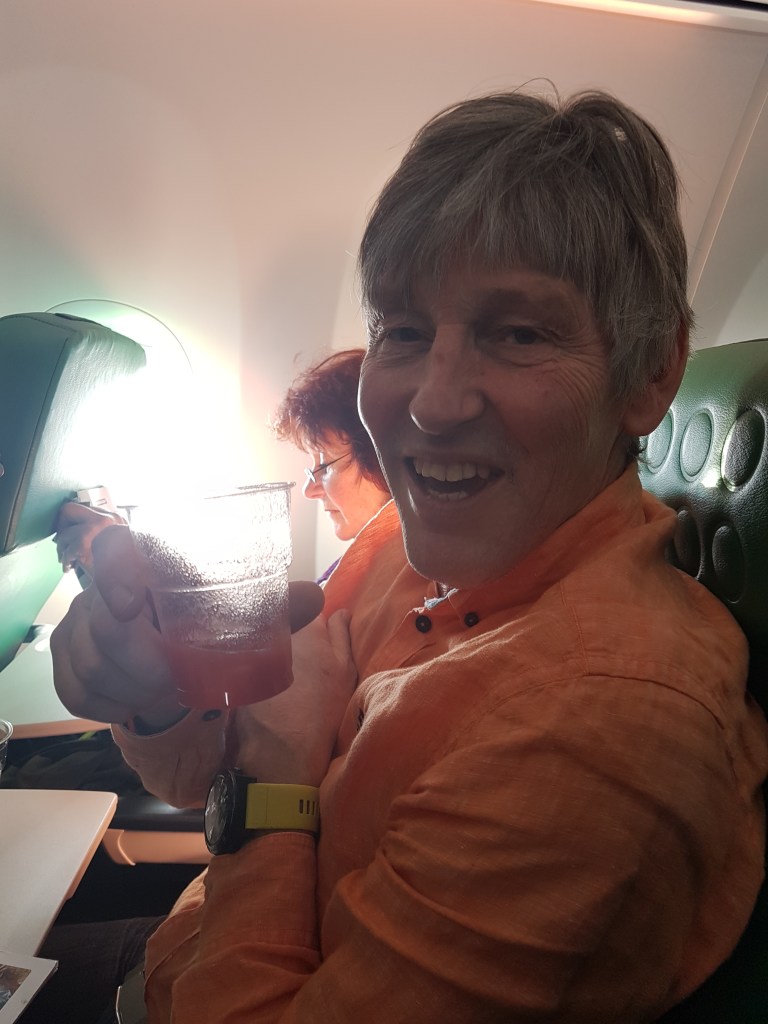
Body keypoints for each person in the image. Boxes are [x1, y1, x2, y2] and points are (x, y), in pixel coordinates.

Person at [49, 88, 768, 1023]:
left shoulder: (600, 727)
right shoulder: (408, 547)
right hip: (179, 954)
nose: (433, 403)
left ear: (652, 371)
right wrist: (152, 691)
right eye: (404, 330)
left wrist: (274, 792)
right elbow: (210, 764)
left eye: (518, 333)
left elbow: (263, 767)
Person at [272, 347, 390, 575]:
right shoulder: (349, 571)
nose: (309, 491)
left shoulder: (423, 583)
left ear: (379, 458)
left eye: (325, 466)